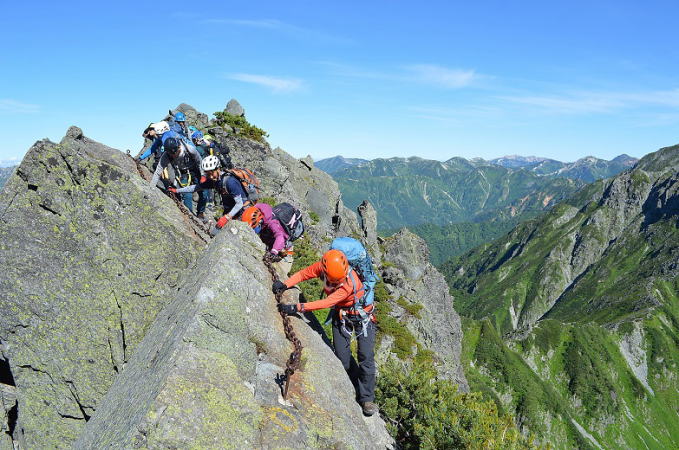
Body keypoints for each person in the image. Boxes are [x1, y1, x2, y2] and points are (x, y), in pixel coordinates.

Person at [273, 249, 378, 416]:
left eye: (339, 280)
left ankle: (366, 398)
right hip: (343, 316)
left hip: (363, 319)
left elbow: (327, 302)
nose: (337, 282)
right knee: (343, 360)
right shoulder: (324, 267)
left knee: (366, 357)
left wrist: (296, 308)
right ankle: (354, 384)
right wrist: (285, 284)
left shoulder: (349, 283)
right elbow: (303, 274)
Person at [174, 155, 250, 231]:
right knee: (215, 233)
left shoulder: (230, 182)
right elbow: (195, 188)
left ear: (218, 169)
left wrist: (227, 217)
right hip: (230, 210)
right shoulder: (214, 181)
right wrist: (177, 190)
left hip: (243, 211)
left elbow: (239, 203)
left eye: (211, 173)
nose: (210, 176)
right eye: (207, 174)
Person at [150, 137, 208, 216]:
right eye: (171, 154)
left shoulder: (190, 149)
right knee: (187, 195)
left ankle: (200, 212)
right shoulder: (166, 155)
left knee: (204, 192)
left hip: (195, 170)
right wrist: (151, 188)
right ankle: (189, 214)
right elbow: (158, 172)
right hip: (182, 173)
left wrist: (203, 175)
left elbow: (199, 162)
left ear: (179, 147)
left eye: (174, 153)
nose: (173, 155)